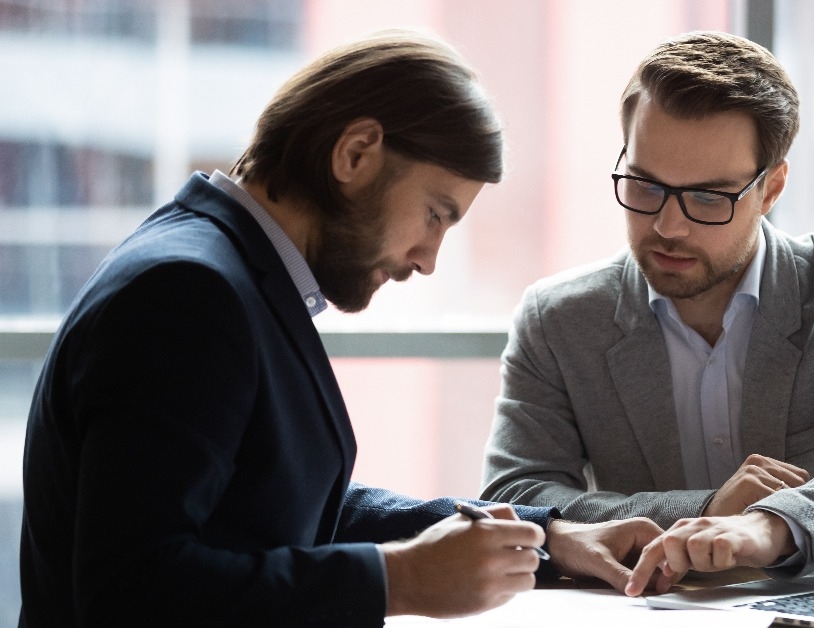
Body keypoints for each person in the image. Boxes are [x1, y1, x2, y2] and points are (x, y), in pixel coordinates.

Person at [19, 29, 669, 627]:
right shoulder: (190, 294)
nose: (428, 259)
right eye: (435, 214)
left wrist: (542, 537)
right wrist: (395, 582)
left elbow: (284, 505)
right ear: (356, 153)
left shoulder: (225, 270)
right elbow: (130, 592)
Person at [479, 31, 814, 595]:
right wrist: (704, 508)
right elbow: (517, 497)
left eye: (709, 197)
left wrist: (771, 526)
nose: (668, 226)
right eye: (644, 185)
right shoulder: (558, 320)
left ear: (771, 188)